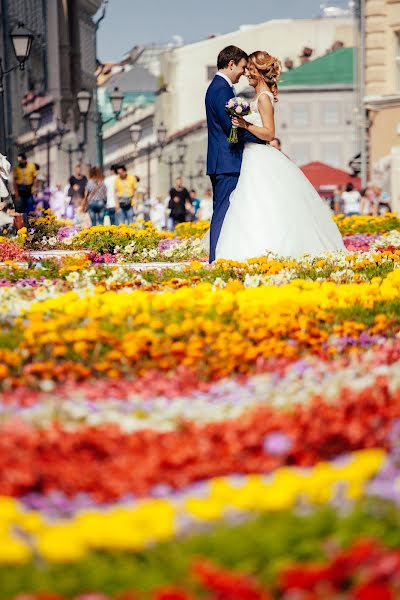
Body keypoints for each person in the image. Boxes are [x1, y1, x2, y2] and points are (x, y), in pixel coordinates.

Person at [215, 50, 346, 261]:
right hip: (250, 156)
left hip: (259, 156)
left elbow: (269, 133)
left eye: (250, 70)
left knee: (262, 202)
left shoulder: (264, 98)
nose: (247, 74)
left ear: (259, 72)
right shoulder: (258, 97)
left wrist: (245, 124)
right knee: (252, 205)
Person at [205, 45, 267, 262]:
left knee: (226, 211)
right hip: (227, 162)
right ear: (231, 64)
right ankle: (215, 259)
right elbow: (231, 128)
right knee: (223, 212)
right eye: (241, 67)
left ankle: (221, 256)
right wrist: (261, 138)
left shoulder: (217, 86)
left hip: (222, 161)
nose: (243, 72)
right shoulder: (222, 89)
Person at [13, 153, 37, 226]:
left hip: (29, 190)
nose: (20, 162)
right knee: (21, 210)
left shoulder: (31, 166)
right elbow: (15, 181)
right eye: (19, 160)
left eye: (21, 160)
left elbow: (35, 178)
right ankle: (23, 225)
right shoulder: (16, 168)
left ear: (24, 159)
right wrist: (16, 193)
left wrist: (35, 189)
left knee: (30, 208)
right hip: (21, 190)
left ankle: (32, 225)